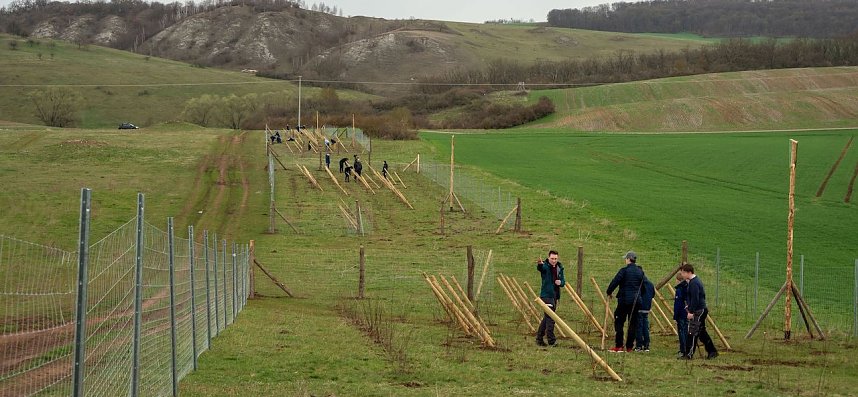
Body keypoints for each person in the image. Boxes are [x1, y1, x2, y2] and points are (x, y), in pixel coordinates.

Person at [606, 251, 646, 353]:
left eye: (626, 258)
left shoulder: (624, 271)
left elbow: (615, 281)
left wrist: (609, 292)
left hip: (624, 300)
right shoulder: (640, 272)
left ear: (628, 259)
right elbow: (643, 288)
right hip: (636, 301)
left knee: (619, 321)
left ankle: (619, 345)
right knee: (632, 324)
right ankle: (629, 347)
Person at [680, 264, 718, 360]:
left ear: (689, 272)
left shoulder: (694, 283)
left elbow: (696, 299)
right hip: (699, 309)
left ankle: (688, 354)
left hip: (698, 311)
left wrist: (691, 312)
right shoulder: (692, 282)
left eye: (683, 273)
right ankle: (712, 351)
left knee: (692, 332)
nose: (682, 275)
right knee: (701, 332)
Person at [534, 250, 565, 347]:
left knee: (547, 317)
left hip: (555, 295)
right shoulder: (545, 267)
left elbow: (563, 281)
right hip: (546, 295)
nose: (554, 260)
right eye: (552, 258)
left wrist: (560, 283)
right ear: (548, 258)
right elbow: (541, 268)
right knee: (551, 317)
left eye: (555, 258)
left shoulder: (560, 267)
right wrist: (539, 264)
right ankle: (551, 340)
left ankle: (539, 339)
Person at [634, 275, 655, 352]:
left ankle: (639, 345)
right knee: (645, 326)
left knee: (639, 327)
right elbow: (653, 294)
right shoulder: (650, 284)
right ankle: (646, 345)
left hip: (639, 307)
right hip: (647, 308)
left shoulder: (638, 284)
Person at [673, 273, 689, 359]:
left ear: (678, 280)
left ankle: (683, 350)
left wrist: (675, 316)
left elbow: (678, 304)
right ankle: (685, 348)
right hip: (687, 313)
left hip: (681, 314)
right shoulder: (687, 288)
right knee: (686, 330)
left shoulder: (679, 289)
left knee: (682, 332)